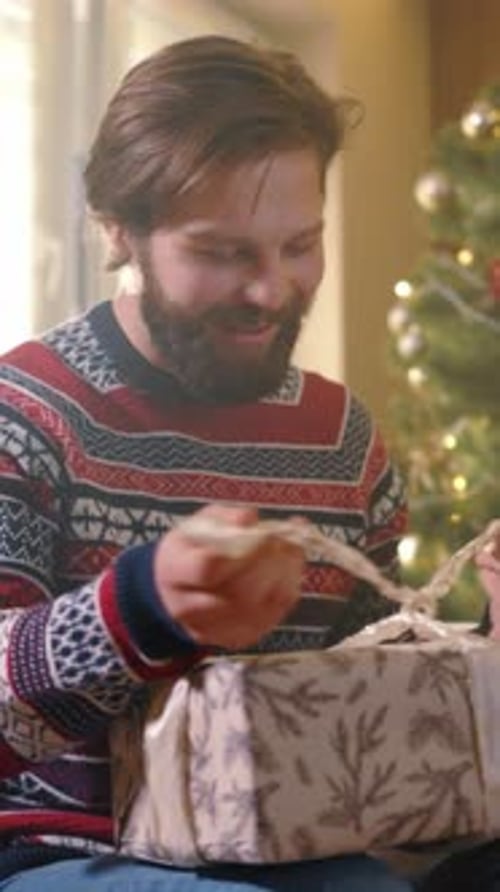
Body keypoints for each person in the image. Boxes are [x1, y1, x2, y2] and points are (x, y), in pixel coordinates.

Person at [0, 35, 412, 891]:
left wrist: (483, 644)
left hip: (296, 848)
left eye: (299, 246)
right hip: (67, 853)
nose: (270, 290)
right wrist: (145, 608)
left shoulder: (342, 443)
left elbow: (380, 696)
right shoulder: (27, 415)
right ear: (119, 232)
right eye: (223, 254)